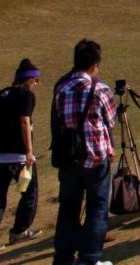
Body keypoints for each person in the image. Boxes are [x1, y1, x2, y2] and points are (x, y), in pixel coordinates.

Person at [51, 39, 116, 265]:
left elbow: (58, 120)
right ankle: (89, 259)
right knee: (97, 209)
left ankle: (63, 257)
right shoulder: (100, 89)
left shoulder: (61, 88)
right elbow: (111, 121)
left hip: (70, 157)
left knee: (68, 209)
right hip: (96, 156)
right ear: (94, 65)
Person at [0, 59, 42, 255]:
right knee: (29, 193)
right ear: (29, 80)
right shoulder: (26, 95)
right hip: (19, 157)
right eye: (36, 80)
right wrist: (29, 151)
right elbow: (24, 122)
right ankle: (19, 230)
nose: (36, 84)